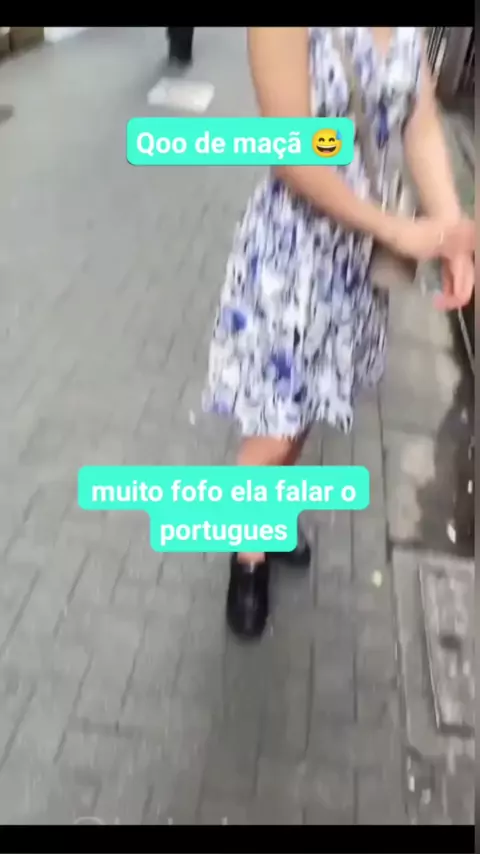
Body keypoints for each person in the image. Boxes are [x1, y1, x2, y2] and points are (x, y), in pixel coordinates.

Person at [203, 27, 475, 640]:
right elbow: (293, 156)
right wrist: (397, 230)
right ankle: (247, 552)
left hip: (353, 270)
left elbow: (420, 124)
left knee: (306, 412)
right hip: (290, 260)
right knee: (273, 427)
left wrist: (451, 231)